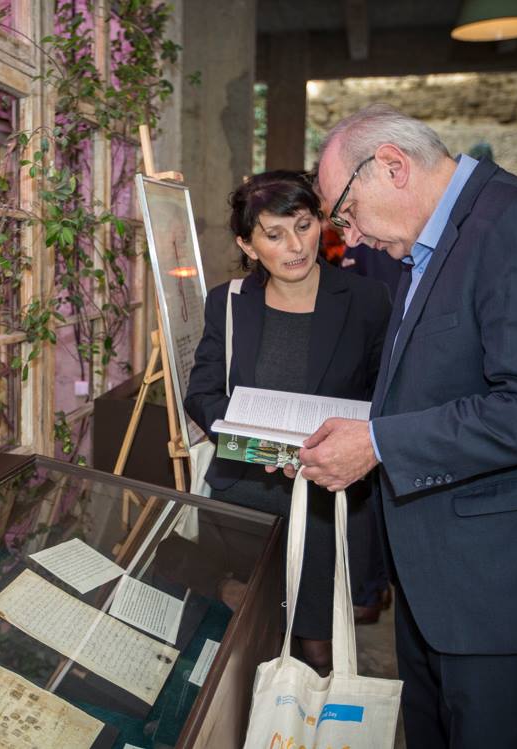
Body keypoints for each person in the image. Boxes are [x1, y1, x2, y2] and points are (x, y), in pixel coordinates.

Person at [302, 104, 517, 749]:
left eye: (345, 213)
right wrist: (359, 429)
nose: (350, 237)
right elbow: (444, 381)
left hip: (508, 587)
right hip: (443, 581)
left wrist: (378, 442)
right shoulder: (442, 238)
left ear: (392, 167)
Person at [183, 170, 391, 673]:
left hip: (326, 503)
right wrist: (252, 440)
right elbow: (203, 394)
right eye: (274, 235)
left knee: (318, 650)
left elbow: (386, 398)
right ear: (248, 245)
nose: (295, 246)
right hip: (246, 498)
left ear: (321, 222)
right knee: (246, 643)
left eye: (303, 226)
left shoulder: (368, 300)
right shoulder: (228, 302)